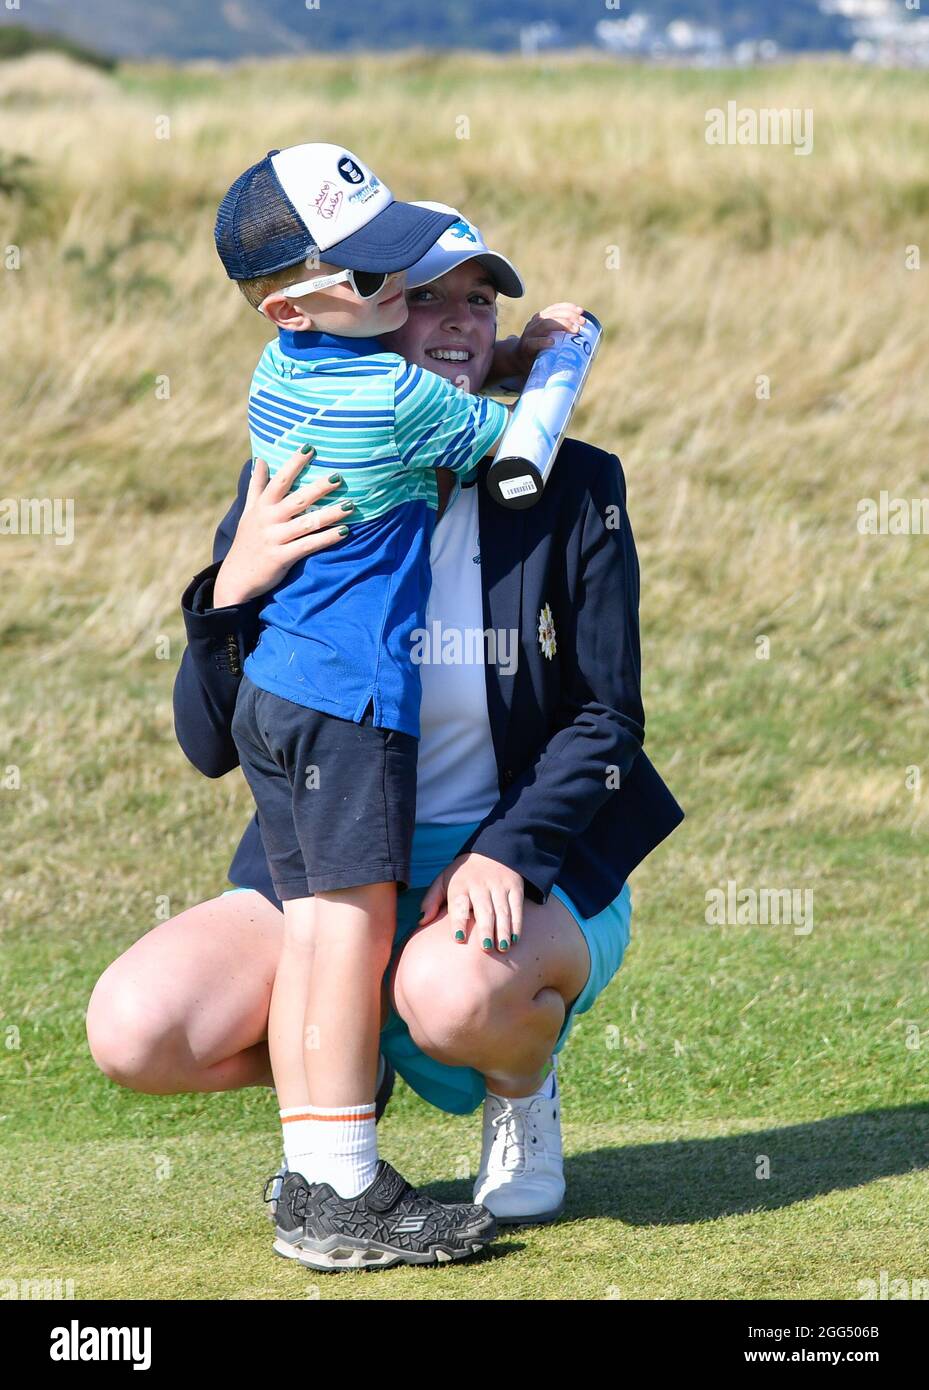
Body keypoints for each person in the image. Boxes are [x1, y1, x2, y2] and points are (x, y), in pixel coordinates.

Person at [86, 205, 684, 1267]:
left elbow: (608, 719)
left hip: (517, 865)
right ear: (370, 321)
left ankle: (519, 1081)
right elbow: (208, 740)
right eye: (425, 298)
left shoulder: (574, 484)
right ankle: (337, 1105)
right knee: (135, 1027)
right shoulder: (301, 459)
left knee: (447, 994)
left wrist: (509, 846)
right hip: (325, 860)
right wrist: (233, 585)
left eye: (480, 301)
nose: (456, 323)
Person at [213, 144, 584, 1271]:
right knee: (346, 935)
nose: (400, 293)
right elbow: (518, 457)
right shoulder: (392, 398)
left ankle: (315, 1179)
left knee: (316, 933)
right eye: (381, 282)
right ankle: (343, 1189)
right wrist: (560, 358)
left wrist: (496, 346)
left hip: (276, 693)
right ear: (289, 300)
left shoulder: (280, 369)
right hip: (348, 701)